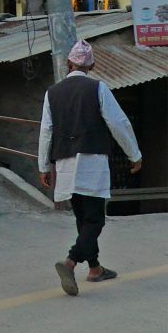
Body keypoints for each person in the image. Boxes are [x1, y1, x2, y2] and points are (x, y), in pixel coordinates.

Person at [38, 39, 142, 296]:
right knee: (95, 220)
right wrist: (135, 155)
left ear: (68, 63)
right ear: (91, 65)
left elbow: (46, 131)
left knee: (82, 218)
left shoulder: (52, 93)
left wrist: (43, 165)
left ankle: (94, 268)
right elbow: (119, 123)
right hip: (92, 161)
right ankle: (71, 262)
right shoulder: (99, 88)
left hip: (64, 163)